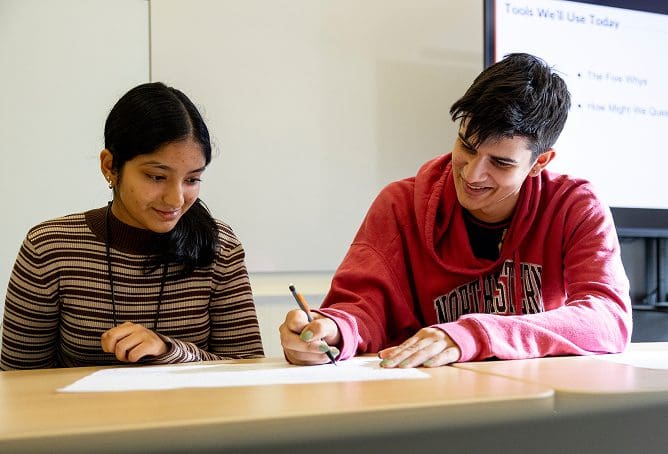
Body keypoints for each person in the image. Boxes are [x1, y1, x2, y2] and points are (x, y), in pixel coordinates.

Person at [279, 53, 632, 368]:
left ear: (539, 162)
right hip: (431, 407)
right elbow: (362, 307)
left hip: (533, 405)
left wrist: (472, 335)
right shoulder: (400, 204)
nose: (472, 173)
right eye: (466, 145)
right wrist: (333, 330)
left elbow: (608, 317)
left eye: (500, 162)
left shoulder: (575, 205)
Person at [1, 82, 264, 370]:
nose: (176, 199)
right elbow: (16, 380)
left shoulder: (219, 245)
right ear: (109, 166)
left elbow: (246, 369)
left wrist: (168, 350)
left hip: (193, 415)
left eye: (192, 179)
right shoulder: (49, 247)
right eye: (156, 176)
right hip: (82, 416)